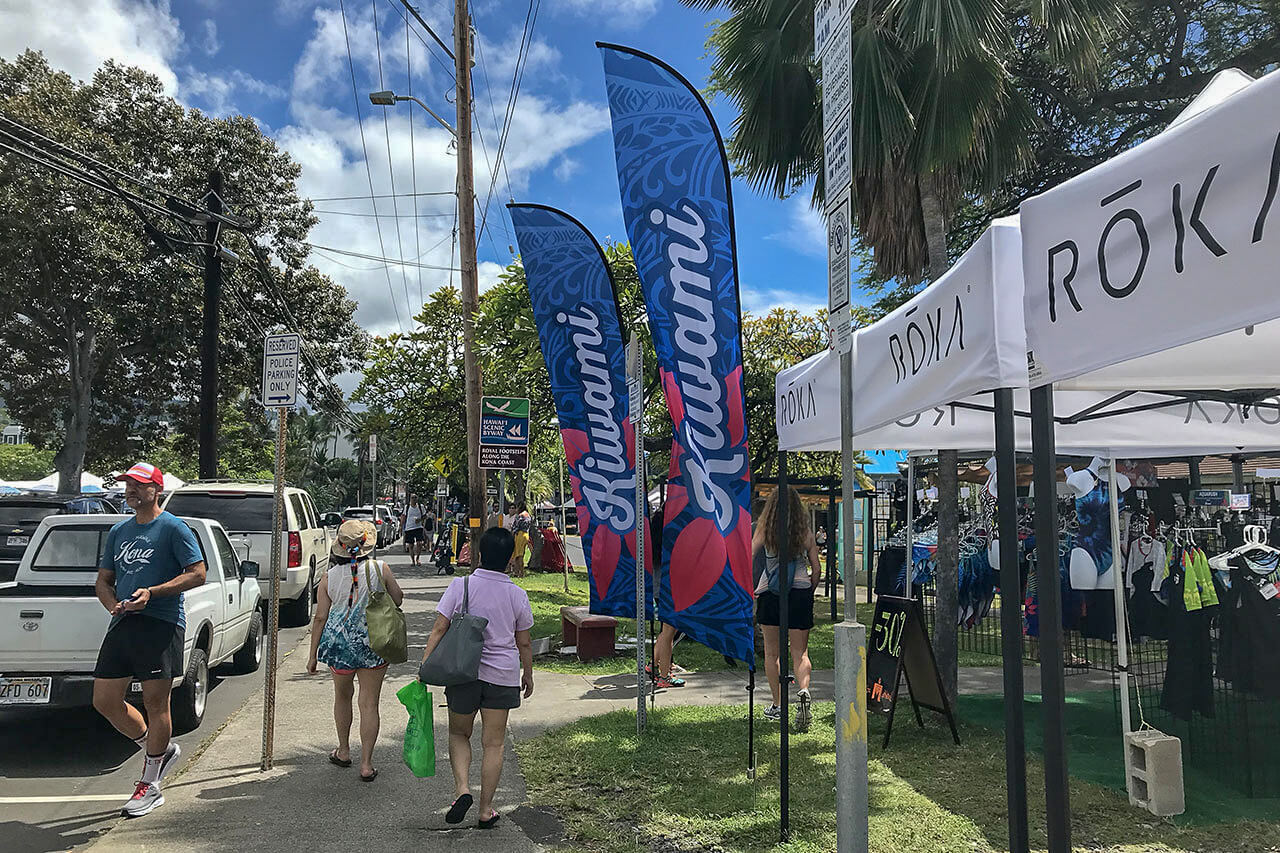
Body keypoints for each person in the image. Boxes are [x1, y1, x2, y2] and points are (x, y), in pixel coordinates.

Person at [92, 462, 207, 818]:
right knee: (105, 701)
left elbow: (198, 574)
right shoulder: (120, 532)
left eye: (140, 486)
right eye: (128, 485)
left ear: (156, 490)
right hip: (124, 623)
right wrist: (112, 603)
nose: (132, 491)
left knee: (157, 704)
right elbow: (103, 580)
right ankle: (157, 750)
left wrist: (152, 593)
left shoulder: (174, 528)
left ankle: (151, 784)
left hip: (161, 623)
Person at [423, 527, 534, 830]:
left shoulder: (462, 586)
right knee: (494, 744)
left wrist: (425, 664)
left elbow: (439, 628)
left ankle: (462, 790)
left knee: (460, 734)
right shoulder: (517, 594)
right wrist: (528, 674)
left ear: (480, 554)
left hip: (463, 674)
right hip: (502, 676)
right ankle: (486, 810)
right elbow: (523, 642)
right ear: (511, 556)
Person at [308, 519, 405, 782]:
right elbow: (398, 598)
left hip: (339, 646)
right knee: (369, 702)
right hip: (374, 642)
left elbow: (320, 618)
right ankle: (366, 764)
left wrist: (312, 656)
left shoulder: (329, 578)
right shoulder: (380, 569)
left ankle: (343, 750)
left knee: (342, 697)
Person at [753, 486, 821, 730]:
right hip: (800, 592)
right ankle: (803, 691)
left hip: (771, 593)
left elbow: (750, 553)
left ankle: (777, 704)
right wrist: (808, 590)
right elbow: (817, 570)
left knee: (773, 653)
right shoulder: (805, 532)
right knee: (800, 653)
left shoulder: (766, 529)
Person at [402, 495, 427, 567]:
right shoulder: (407, 507)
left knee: (419, 543)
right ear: (410, 499)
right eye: (412, 498)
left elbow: (425, 516)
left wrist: (419, 519)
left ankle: (418, 558)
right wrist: (402, 526)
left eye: (415, 497)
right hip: (409, 528)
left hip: (418, 527)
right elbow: (403, 516)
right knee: (411, 545)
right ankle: (412, 560)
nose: (414, 499)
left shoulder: (420, 506)